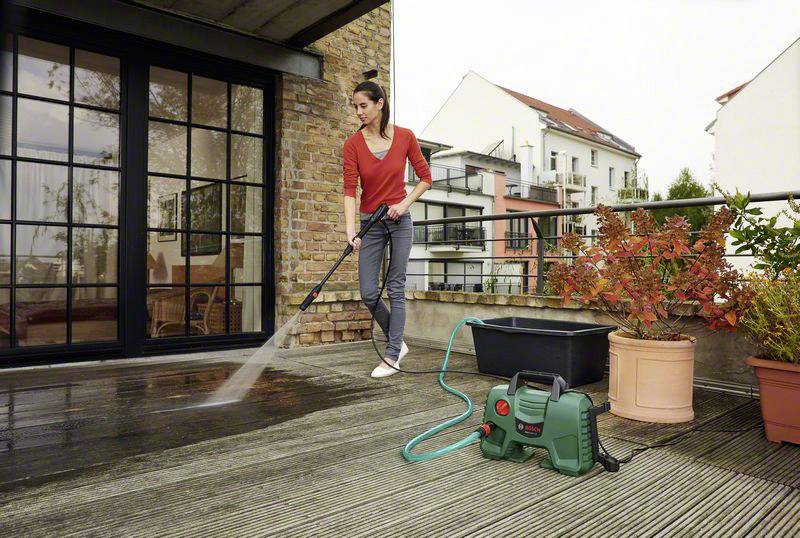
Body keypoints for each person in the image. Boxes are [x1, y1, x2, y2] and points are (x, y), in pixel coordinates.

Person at [342, 81, 432, 378]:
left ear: (380, 103)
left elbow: (425, 178)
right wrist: (350, 231)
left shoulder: (405, 137)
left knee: (395, 286)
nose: (358, 112)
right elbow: (349, 191)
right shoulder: (353, 144)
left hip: (399, 221)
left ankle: (393, 354)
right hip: (371, 222)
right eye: (355, 106)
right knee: (369, 292)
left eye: (363, 105)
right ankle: (398, 341)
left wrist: (404, 204)